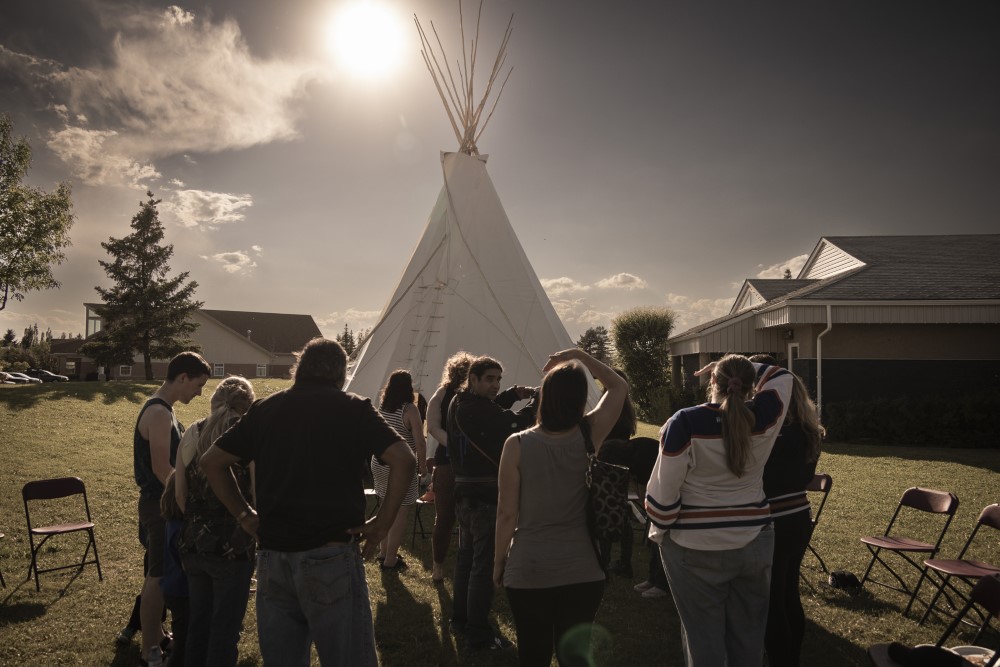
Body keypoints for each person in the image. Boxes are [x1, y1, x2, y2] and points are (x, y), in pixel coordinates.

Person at [199, 338, 415, 667]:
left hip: (273, 558)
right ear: (340, 375)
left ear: (298, 368)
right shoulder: (353, 407)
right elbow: (404, 459)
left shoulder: (265, 409)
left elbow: (211, 462)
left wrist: (244, 515)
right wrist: (382, 524)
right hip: (330, 555)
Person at [646, 354, 792, 666]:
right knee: (749, 640)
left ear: (713, 381)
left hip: (693, 546)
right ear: (750, 386)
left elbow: (662, 497)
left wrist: (662, 528)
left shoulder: (684, 422)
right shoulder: (764, 417)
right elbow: (783, 377)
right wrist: (744, 369)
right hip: (754, 539)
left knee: (703, 641)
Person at [494, 349, 628, 667]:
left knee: (533, 654)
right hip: (582, 569)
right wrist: (579, 356)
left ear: (545, 396)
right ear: (581, 398)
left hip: (528, 568)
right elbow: (618, 386)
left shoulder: (516, 444)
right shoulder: (589, 433)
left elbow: (506, 514)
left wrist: (498, 561)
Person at [447, 355, 537, 652]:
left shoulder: (458, 402)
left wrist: (513, 394)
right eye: (489, 379)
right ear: (472, 379)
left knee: (466, 561)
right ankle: (478, 634)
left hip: (464, 494)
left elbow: (491, 411)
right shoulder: (475, 408)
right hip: (484, 498)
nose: (495, 385)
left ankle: (460, 620)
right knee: (482, 567)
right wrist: (538, 403)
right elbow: (513, 423)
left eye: (498, 379)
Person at [133, 351, 211, 666]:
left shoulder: (165, 409)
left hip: (160, 505)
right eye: (198, 385)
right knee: (159, 575)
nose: (200, 393)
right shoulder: (159, 413)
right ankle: (149, 650)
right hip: (160, 506)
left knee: (157, 571)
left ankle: (158, 635)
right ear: (182, 378)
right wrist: (188, 500)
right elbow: (161, 469)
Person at [175, 376, 256, 667]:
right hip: (234, 546)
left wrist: (199, 524)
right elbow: (257, 494)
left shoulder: (192, 432)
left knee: (199, 625)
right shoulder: (248, 435)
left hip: (194, 542)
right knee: (224, 631)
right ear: (248, 405)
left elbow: (180, 494)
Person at [757, 363, 824, 667]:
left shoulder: (774, 432)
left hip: (775, 517)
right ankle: (792, 658)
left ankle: (781, 660)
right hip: (799, 515)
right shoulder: (809, 431)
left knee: (772, 600)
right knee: (789, 593)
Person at [425, 351, 474, 583]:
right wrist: (455, 445)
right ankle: (441, 567)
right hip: (450, 463)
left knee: (458, 518)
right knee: (449, 518)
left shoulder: (468, 395)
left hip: (459, 463)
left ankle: (446, 567)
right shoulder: (444, 395)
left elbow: (433, 427)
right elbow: (433, 427)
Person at [372, 369, 428, 570]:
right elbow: (420, 442)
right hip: (401, 465)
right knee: (400, 511)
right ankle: (390, 559)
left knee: (385, 506)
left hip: (380, 461)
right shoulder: (410, 410)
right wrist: (423, 467)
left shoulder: (383, 407)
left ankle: (383, 552)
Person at [160, 472, 189, 667]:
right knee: (184, 643)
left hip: (172, 588)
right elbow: (186, 565)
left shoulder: (172, 523)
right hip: (182, 591)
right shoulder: (182, 530)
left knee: (183, 636)